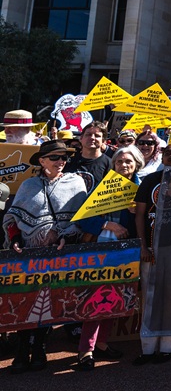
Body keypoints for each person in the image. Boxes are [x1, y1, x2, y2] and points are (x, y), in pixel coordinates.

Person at [3, 140, 87, 373]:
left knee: (49, 301)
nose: (61, 162)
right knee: (25, 300)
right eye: (55, 158)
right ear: (42, 161)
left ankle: (39, 348)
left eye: (64, 158)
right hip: (30, 251)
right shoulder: (29, 185)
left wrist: (67, 237)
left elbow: (81, 218)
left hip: (61, 252)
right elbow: (13, 218)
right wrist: (16, 239)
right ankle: (22, 350)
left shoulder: (75, 182)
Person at [75, 144, 146, 370]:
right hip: (101, 251)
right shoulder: (101, 187)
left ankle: (102, 344)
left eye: (128, 162)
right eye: (118, 161)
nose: (123, 165)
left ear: (137, 165)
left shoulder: (141, 189)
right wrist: (108, 224)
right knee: (95, 298)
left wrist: (139, 213)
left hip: (127, 252)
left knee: (114, 298)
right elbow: (82, 220)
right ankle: (86, 350)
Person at [132, 143, 171, 365]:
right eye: (168, 152)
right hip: (152, 249)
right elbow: (140, 215)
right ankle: (147, 347)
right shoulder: (149, 180)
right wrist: (143, 246)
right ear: (161, 156)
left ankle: (168, 347)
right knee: (151, 298)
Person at [66, 121, 113, 193]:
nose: (92, 138)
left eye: (97, 135)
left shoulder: (110, 164)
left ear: (104, 141)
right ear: (81, 138)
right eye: (88, 134)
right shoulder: (68, 162)